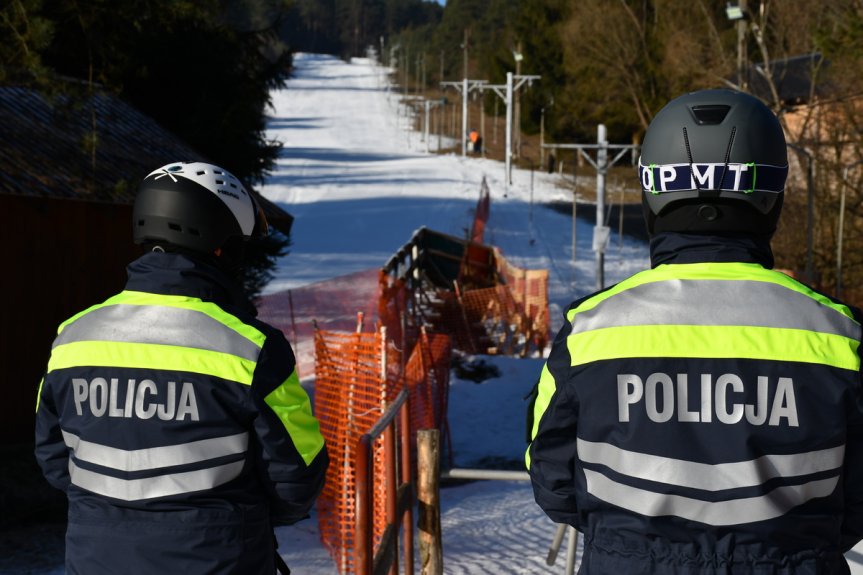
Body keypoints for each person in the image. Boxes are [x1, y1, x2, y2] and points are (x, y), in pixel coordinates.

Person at [526, 89, 863, 573]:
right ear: (772, 197)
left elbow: (553, 480)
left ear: (653, 193)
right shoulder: (840, 336)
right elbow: (856, 500)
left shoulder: (590, 332)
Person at [35, 161, 329, 574]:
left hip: (95, 557)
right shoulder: (252, 346)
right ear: (220, 245)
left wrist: (117, 509)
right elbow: (297, 473)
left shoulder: (71, 337)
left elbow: (53, 458)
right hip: (219, 557)